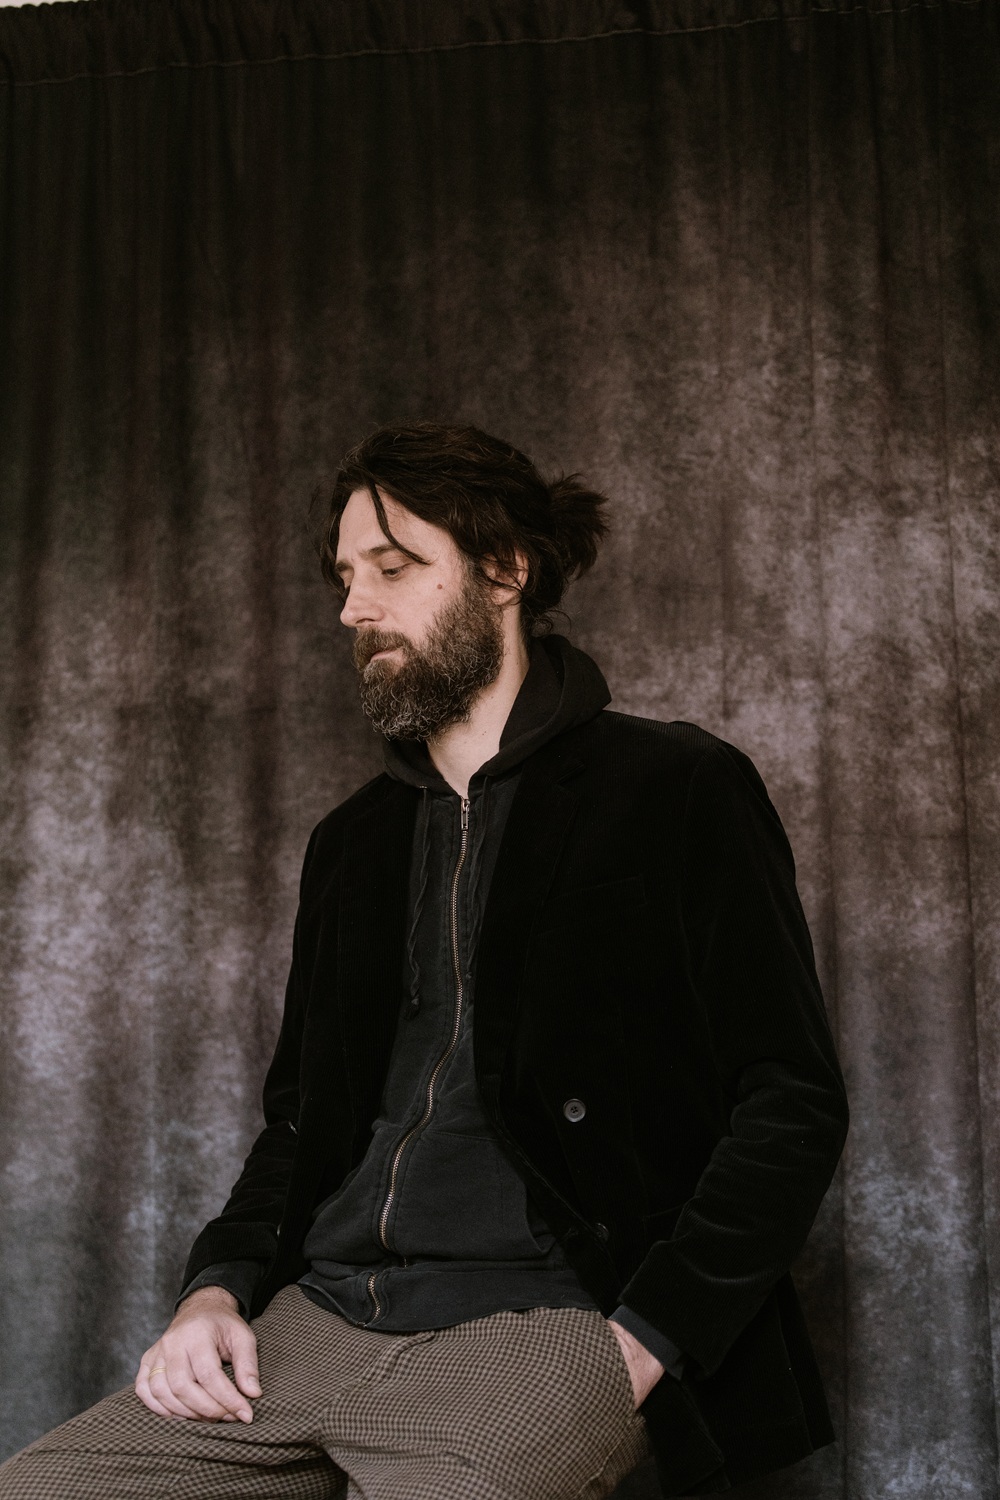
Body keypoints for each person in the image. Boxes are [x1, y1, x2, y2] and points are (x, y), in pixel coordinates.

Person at [0, 423, 849, 1500]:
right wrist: (213, 1290)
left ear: (505, 569)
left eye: (393, 568)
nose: (353, 608)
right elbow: (299, 1123)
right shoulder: (350, 844)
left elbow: (790, 1101)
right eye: (346, 576)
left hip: (544, 1324)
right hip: (317, 1321)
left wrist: (645, 1340)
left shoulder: (675, 788)